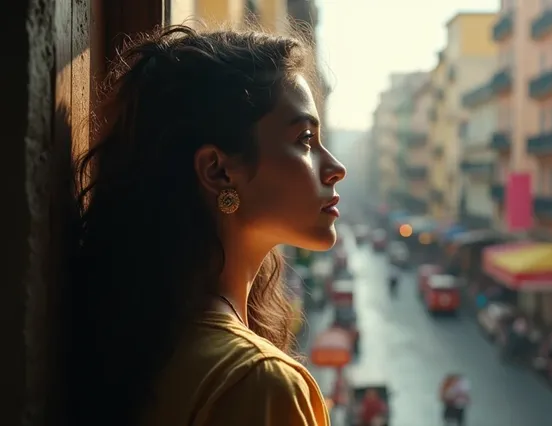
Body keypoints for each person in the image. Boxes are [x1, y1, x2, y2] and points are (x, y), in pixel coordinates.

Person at [60, 24, 346, 426]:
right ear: (217, 170)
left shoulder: (142, 340)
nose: (335, 168)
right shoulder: (258, 383)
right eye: (304, 139)